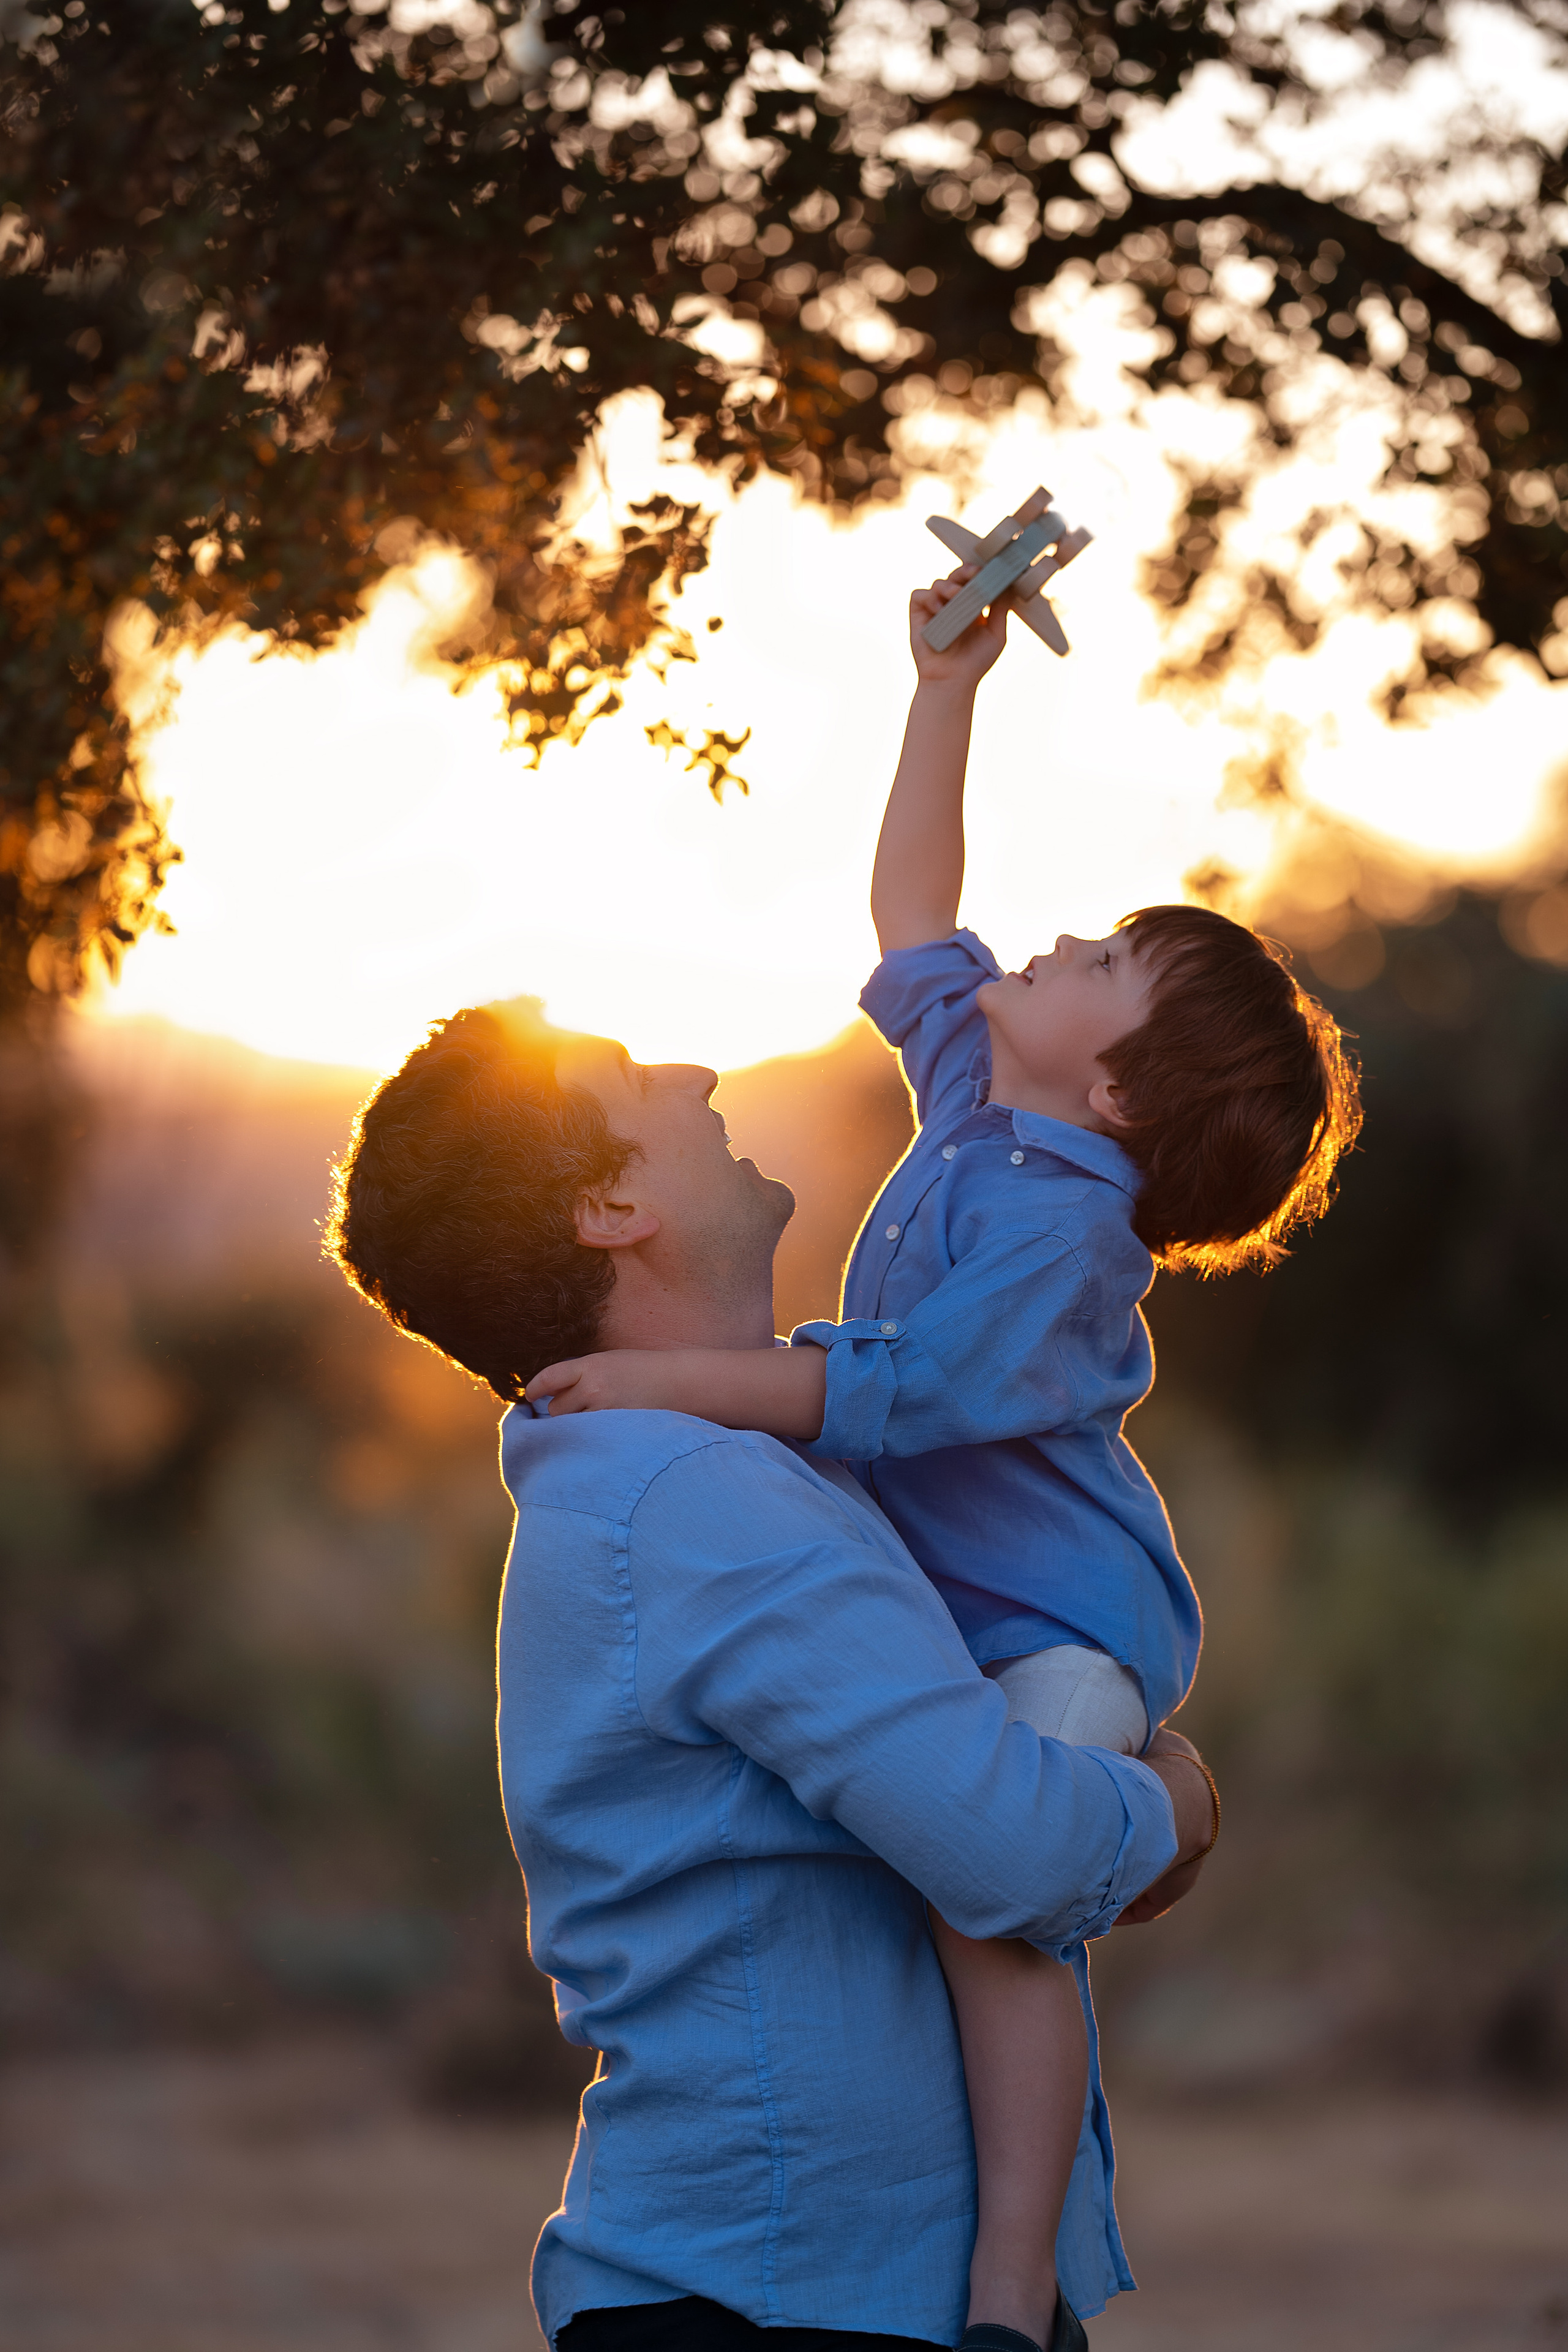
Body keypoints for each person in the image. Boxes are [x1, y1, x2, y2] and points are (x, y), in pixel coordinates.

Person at [524, 565, 1362, 2351]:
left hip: (1053, 1624)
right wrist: (944, 689)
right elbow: (916, 914)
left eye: (1107, 967)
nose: (1056, 949)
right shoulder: (990, 1103)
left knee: (1008, 1912)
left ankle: (1002, 2290)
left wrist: (678, 1379)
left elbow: (891, 1394)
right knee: (988, 1883)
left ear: (1123, 1096)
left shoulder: (1073, 1243)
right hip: (957, 1605)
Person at [326, 1003, 1219, 2352]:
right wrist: (1183, 1797)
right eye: (634, 1079)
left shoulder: (712, 1466)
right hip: (778, 2304)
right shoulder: (700, 1498)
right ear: (610, 1204)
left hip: (802, 2288)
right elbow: (1020, 1853)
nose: (692, 1068)